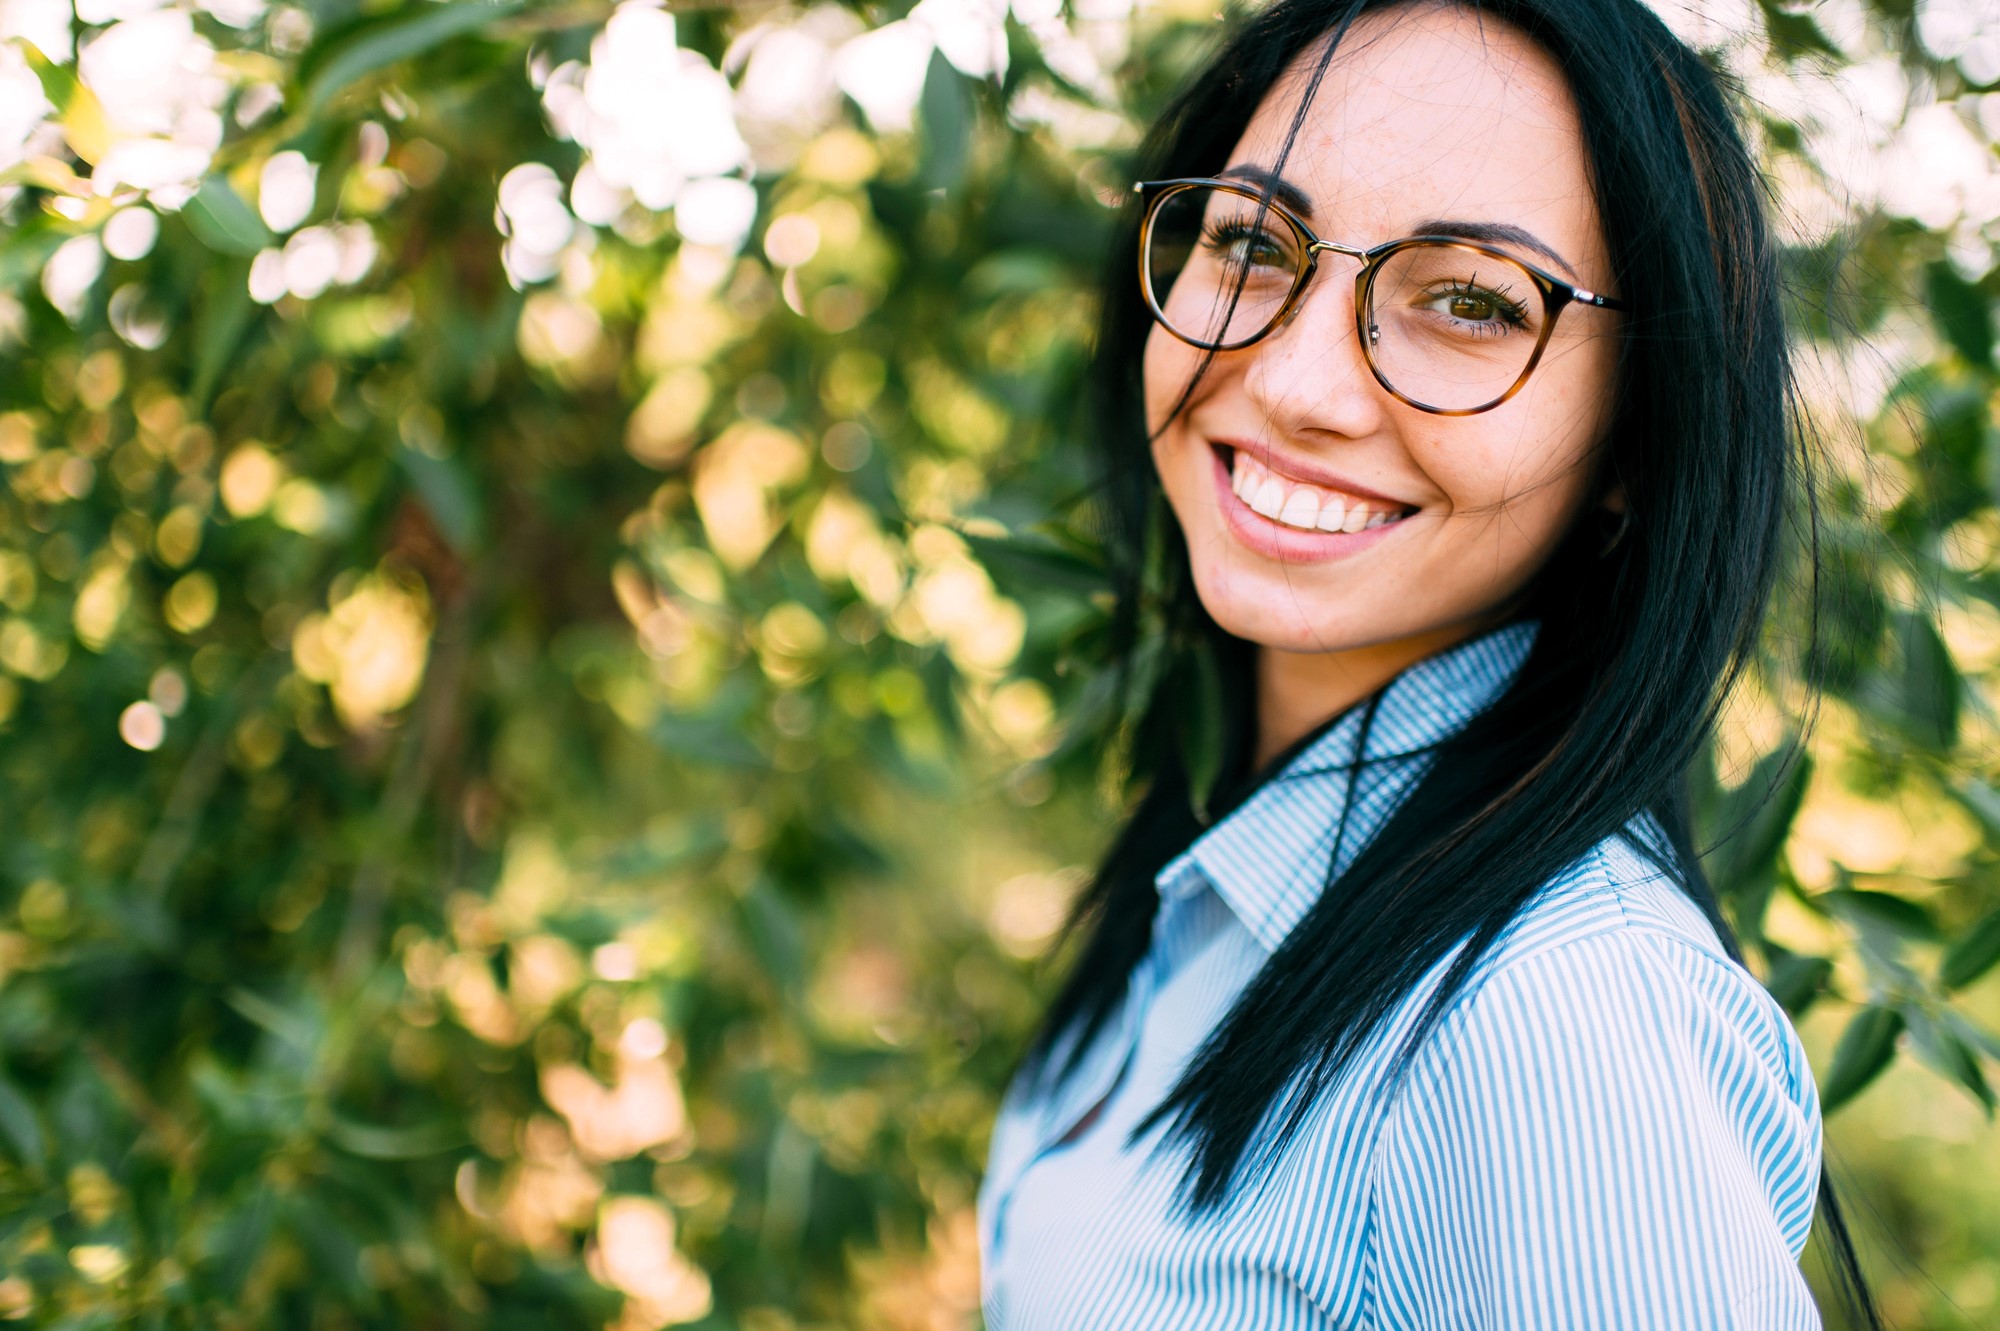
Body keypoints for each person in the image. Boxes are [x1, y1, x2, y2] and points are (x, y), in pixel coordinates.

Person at [976, 0, 1882, 1326]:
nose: (1296, 384)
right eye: (1250, 239)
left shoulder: (1556, 1016)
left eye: (1468, 300)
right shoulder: (1228, 872)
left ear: (1639, 436)